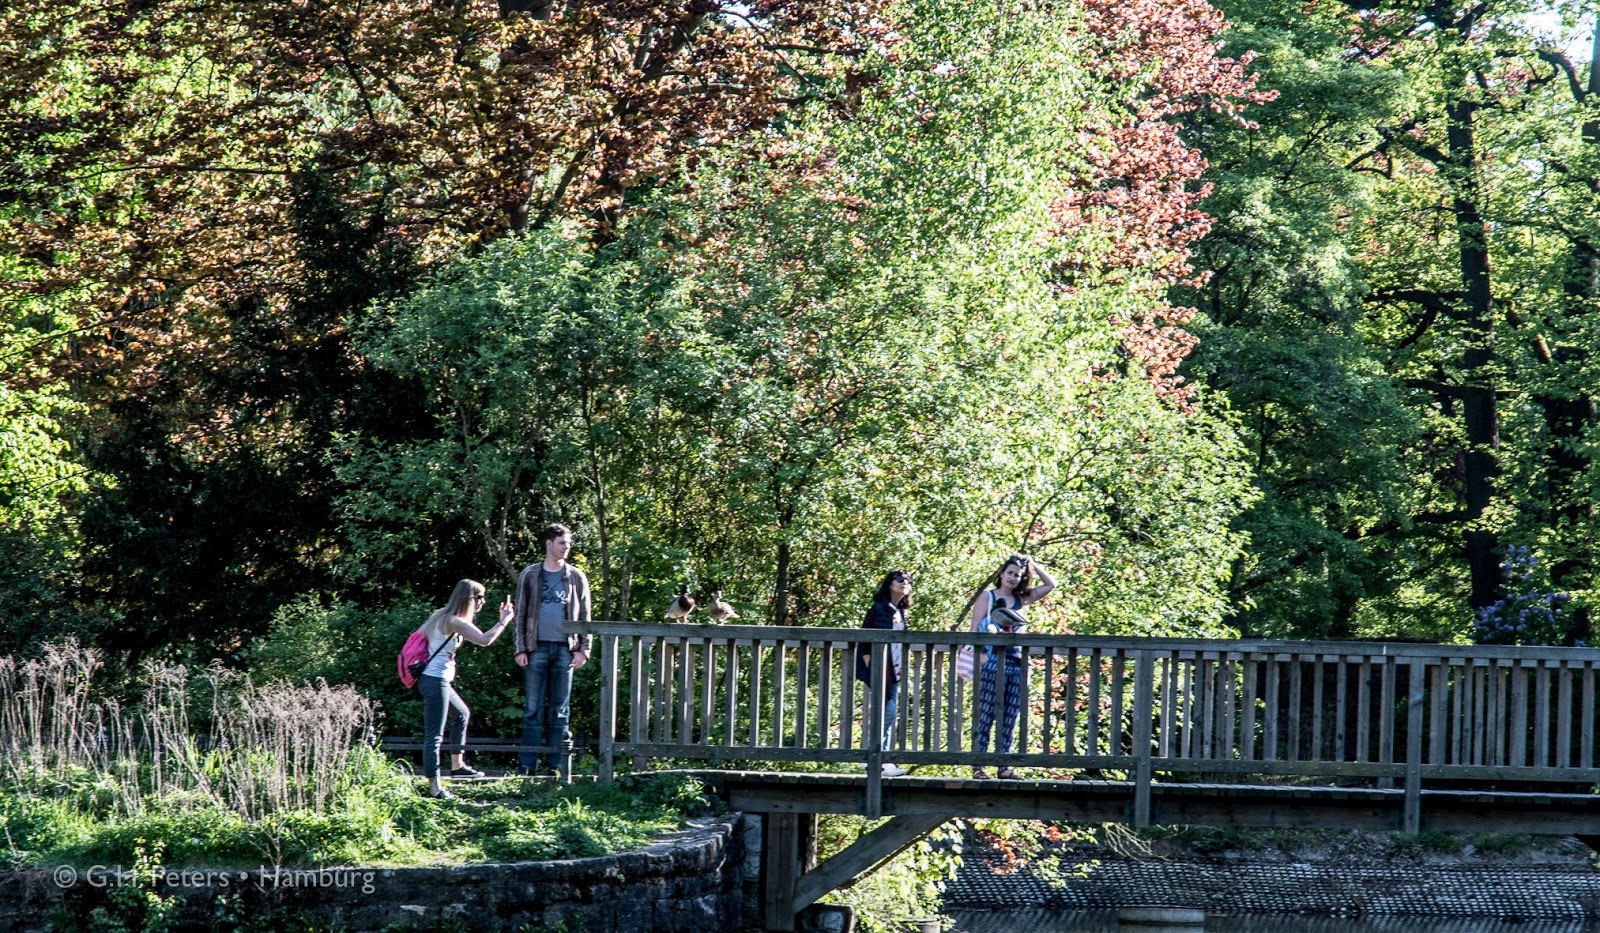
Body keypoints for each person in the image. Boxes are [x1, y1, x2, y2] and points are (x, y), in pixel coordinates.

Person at [418, 579, 514, 800]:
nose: (483, 602)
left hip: (435, 678)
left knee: (461, 713)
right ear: (467, 598)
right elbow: (485, 640)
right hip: (435, 679)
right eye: (479, 597)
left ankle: (457, 766)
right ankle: (435, 788)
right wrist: (504, 620)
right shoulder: (453, 621)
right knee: (434, 736)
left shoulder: (441, 615)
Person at [514, 523, 593, 776]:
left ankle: (556, 765)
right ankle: (528, 766)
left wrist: (584, 649)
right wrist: (520, 649)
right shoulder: (530, 574)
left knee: (560, 710)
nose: (566, 548)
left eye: (568, 544)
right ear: (549, 544)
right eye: (562, 543)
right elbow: (520, 614)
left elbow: (586, 615)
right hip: (535, 648)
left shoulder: (576, 576)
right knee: (533, 709)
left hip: (566, 649)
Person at [970, 554, 1055, 780]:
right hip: (992, 661)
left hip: (1018, 662)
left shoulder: (1021, 599)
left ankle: (1003, 766)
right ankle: (978, 766)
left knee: (1010, 716)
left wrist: (1033, 564)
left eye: (1017, 575)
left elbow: (1050, 585)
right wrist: (982, 659)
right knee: (986, 713)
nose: (1013, 578)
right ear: (1001, 574)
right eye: (1009, 573)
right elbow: (973, 631)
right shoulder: (988, 597)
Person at [857, 569, 913, 777]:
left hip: (894, 670)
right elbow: (865, 641)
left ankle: (883, 760)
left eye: (908, 580)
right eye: (899, 579)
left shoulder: (899, 611)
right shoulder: (879, 609)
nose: (904, 582)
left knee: (888, 714)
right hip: (881, 669)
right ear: (889, 584)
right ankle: (873, 758)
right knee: (888, 713)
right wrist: (872, 667)